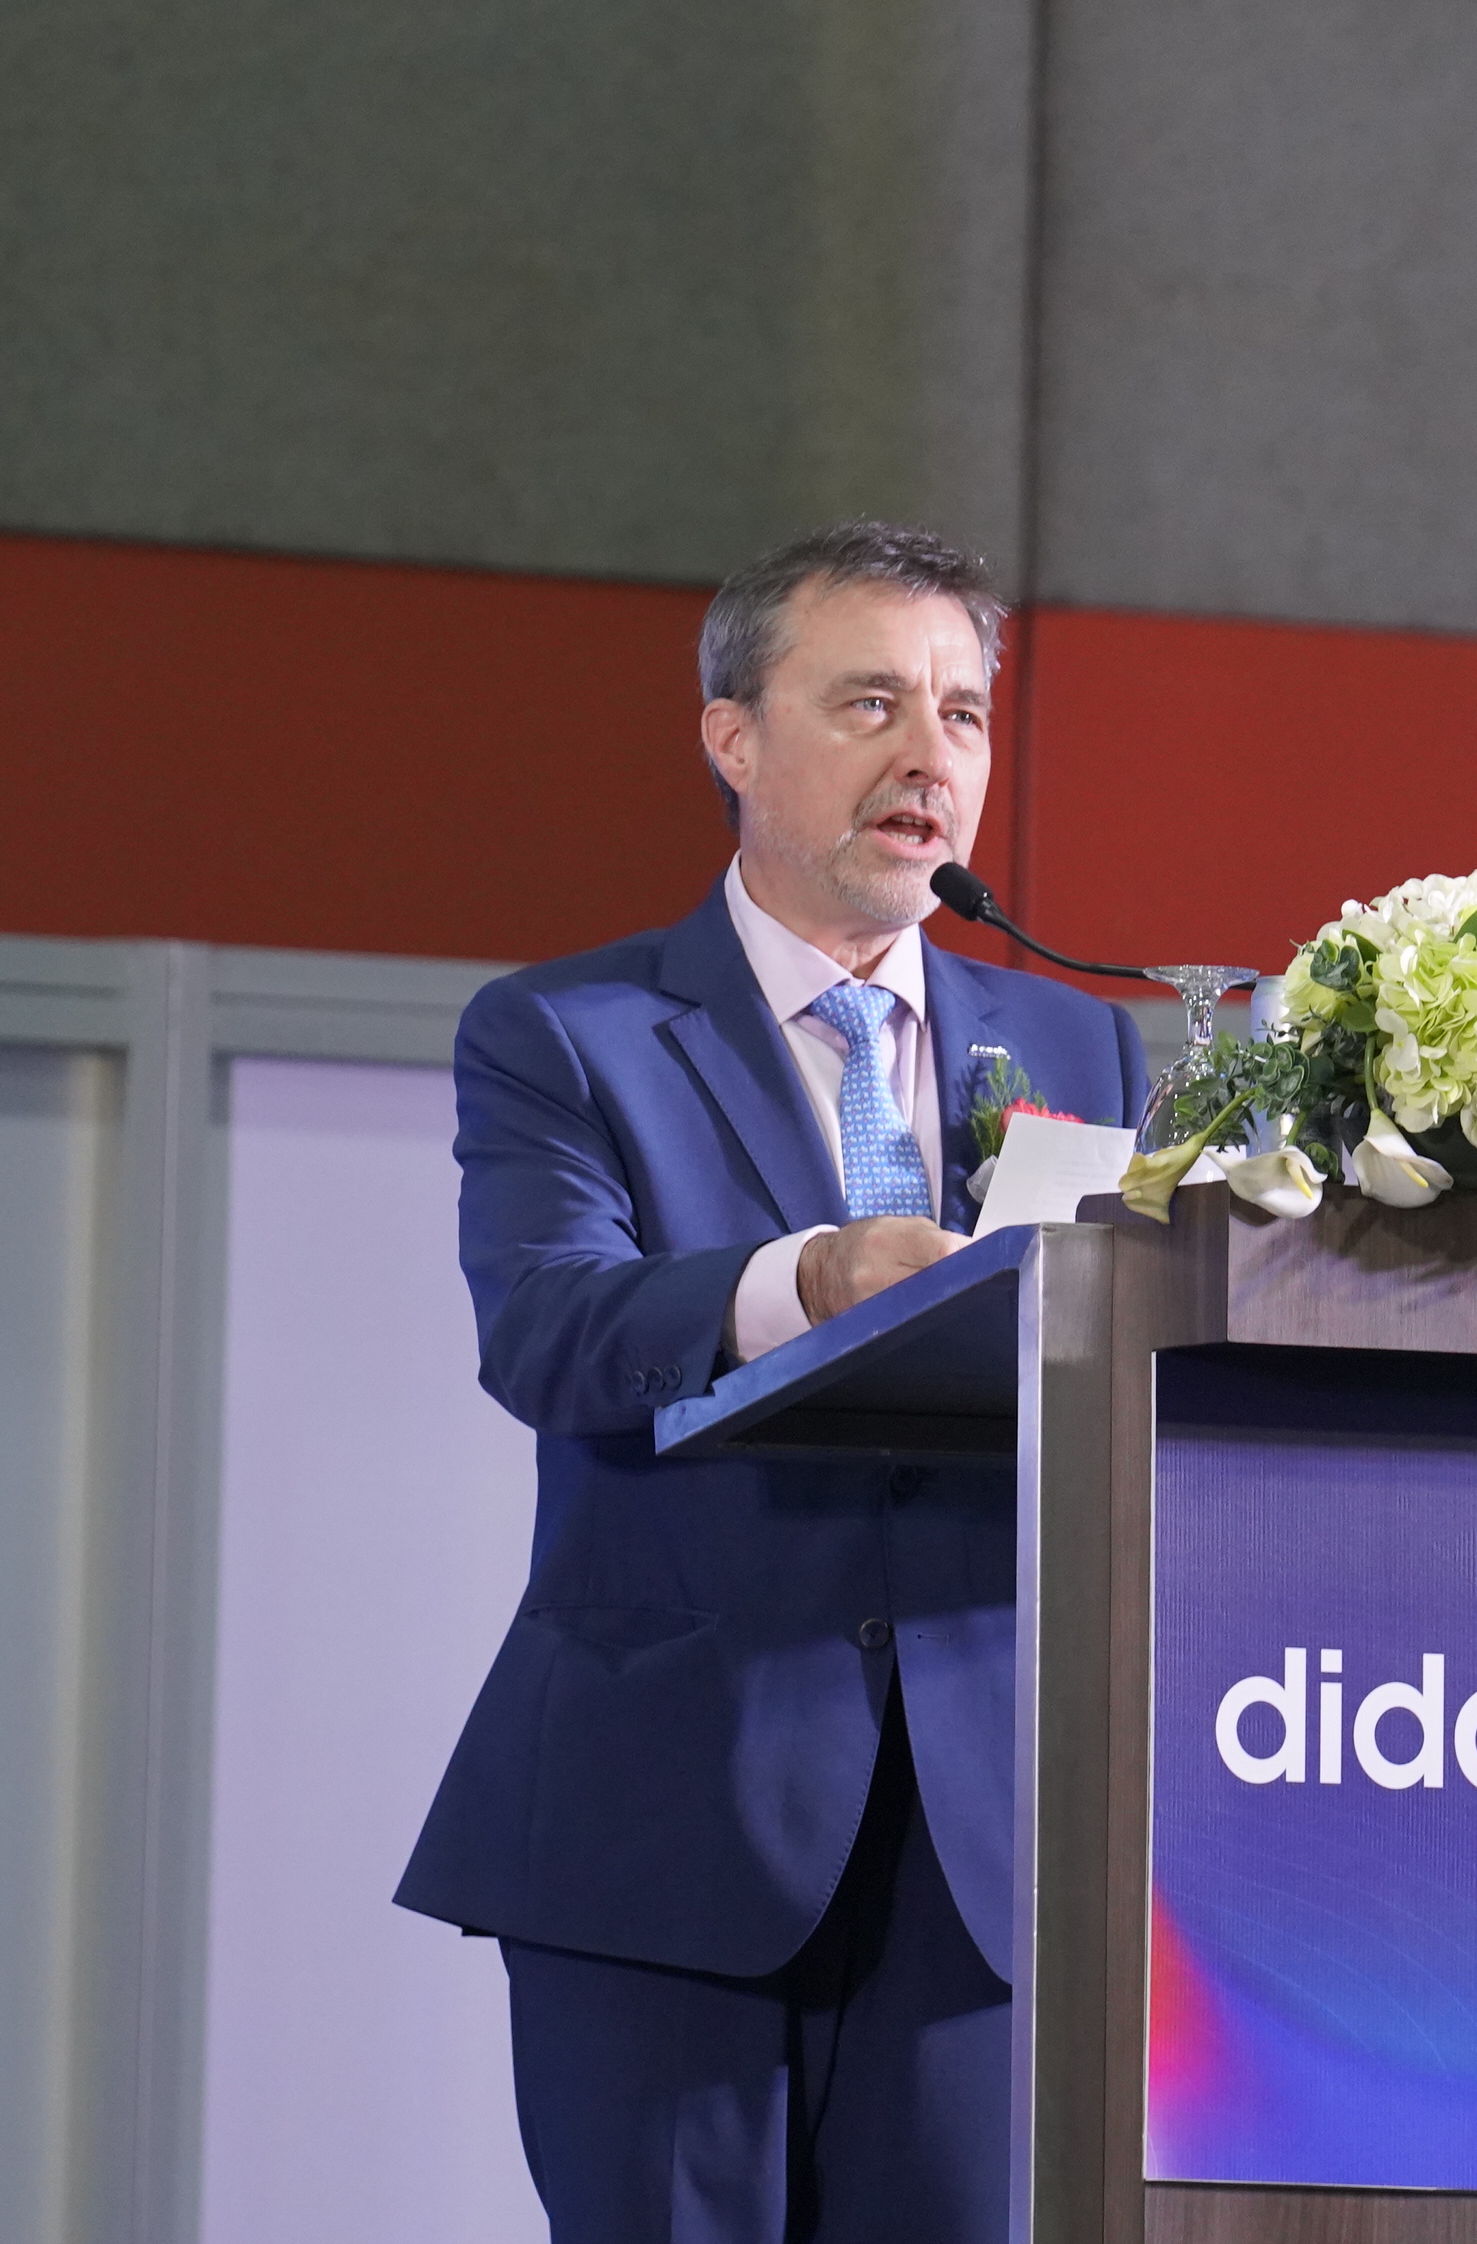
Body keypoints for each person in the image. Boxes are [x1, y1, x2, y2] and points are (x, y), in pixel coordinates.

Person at [399, 521, 1152, 2243]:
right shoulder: (568, 1032)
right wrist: (803, 1282)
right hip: (669, 1820)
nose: (931, 755)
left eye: (964, 713)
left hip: (985, 1848)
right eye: (872, 702)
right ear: (731, 738)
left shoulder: (1080, 1043)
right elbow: (546, 1328)